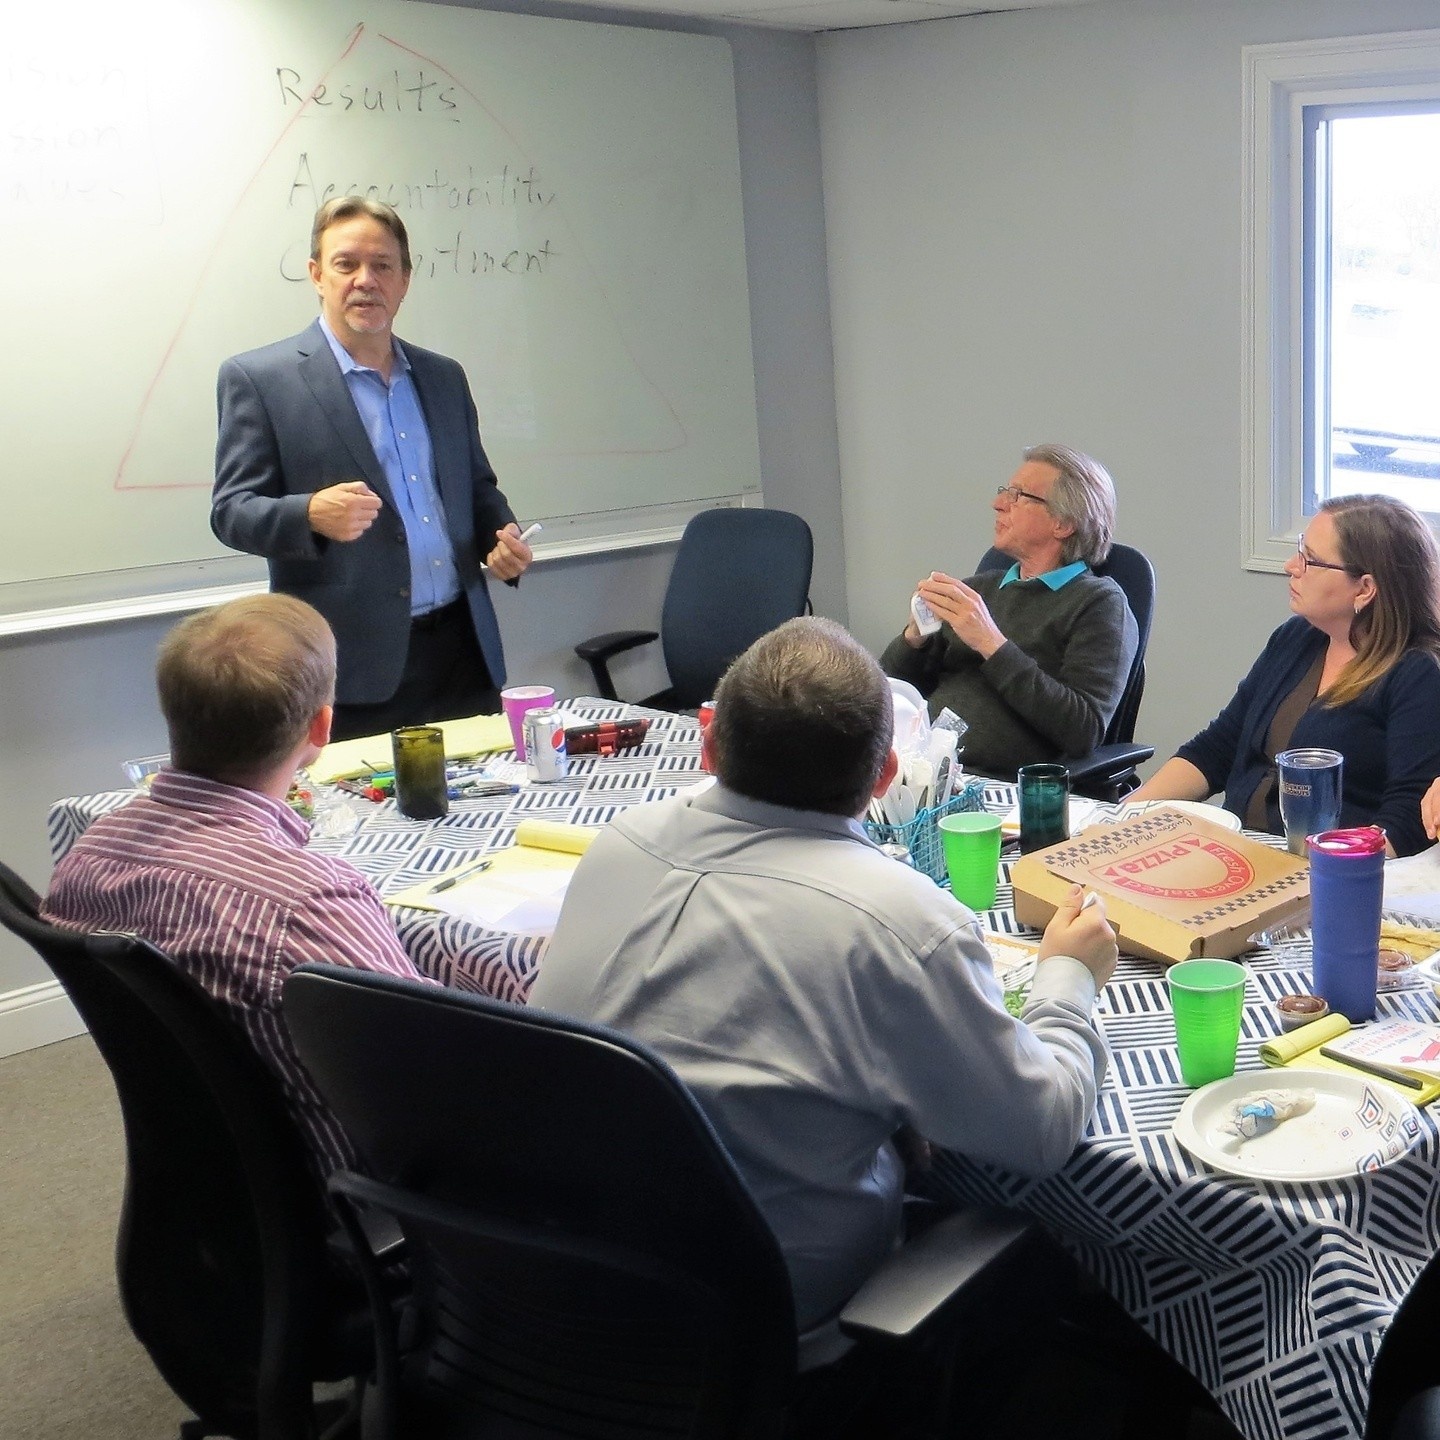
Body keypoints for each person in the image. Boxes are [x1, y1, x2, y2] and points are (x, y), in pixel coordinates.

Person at [529, 616, 1117, 1343]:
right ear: (885, 777)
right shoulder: (903, 923)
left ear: (709, 748)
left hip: (558, 1285)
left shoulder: (618, 843)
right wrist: (1068, 974)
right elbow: (1044, 1131)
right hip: (763, 1325)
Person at [42, 595, 431, 1179]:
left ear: (173, 712)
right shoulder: (307, 904)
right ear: (321, 727)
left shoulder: (87, 854)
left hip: (205, 1173)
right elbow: (430, 1075)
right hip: (349, 1192)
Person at [211, 197, 534, 742]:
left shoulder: (443, 377)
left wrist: (501, 539)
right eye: (346, 264)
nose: (366, 280)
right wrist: (308, 514)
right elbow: (231, 511)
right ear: (317, 275)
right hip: (350, 666)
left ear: (404, 280)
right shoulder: (259, 379)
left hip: (463, 654)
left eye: (383, 265)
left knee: (486, 796)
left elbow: (476, 488)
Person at [1130, 494, 1440, 857]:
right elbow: (1217, 748)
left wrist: (1326, 872)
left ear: (1365, 588)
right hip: (1239, 848)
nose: (1291, 566)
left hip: (1330, 868)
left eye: (1310, 559)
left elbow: (1406, 821)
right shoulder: (1297, 638)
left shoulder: (1418, 672)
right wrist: (1127, 814)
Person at [880, 443, 1138, 776]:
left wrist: (990, 643)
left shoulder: (1099, 603)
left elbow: (1083, 730)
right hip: (922, 772)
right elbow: (890, 697)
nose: (999, 504)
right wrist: (914, 638)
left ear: (1063, 524)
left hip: (1009, 786)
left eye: (1019, 496)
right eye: (1005, 492)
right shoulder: (980, 589)